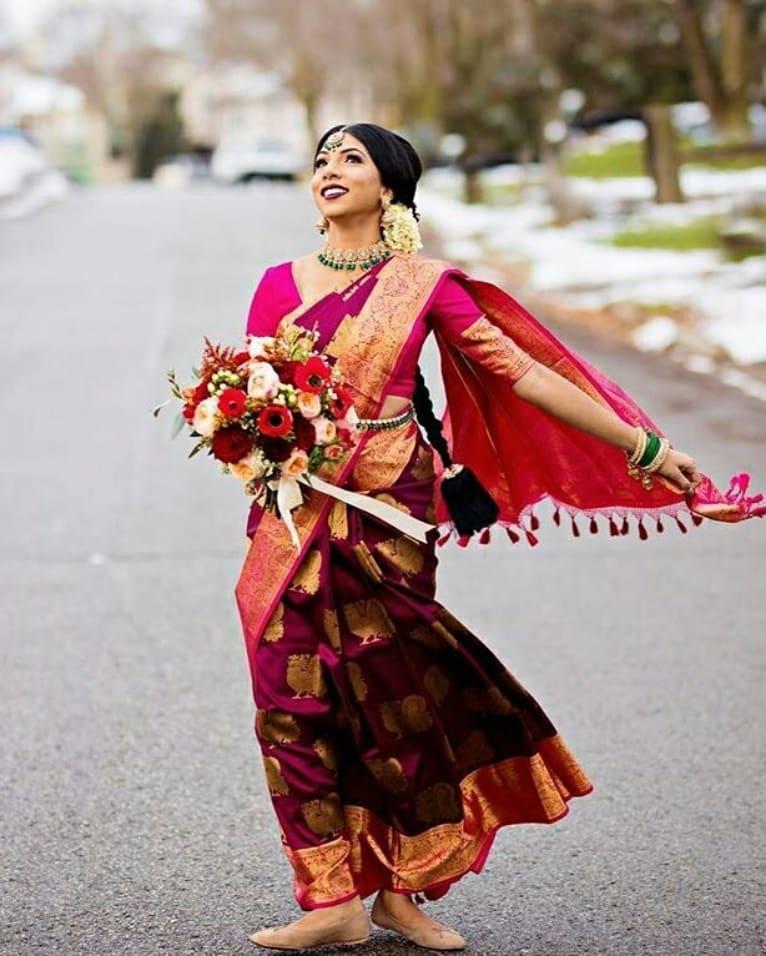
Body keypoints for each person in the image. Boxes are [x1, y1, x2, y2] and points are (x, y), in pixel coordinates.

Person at [235, 123, 763, 952]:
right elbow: (257, 385)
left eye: (352, 160)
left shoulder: (424, 285)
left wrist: (648, 450)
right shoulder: (276, 285)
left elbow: (524, 373)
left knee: (394, 700)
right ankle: (331, 893)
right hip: (293, 516)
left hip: (388, 513)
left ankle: (404, 886)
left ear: (391, 188)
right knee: (288, 702)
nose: (329, 171)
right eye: (321, 160)